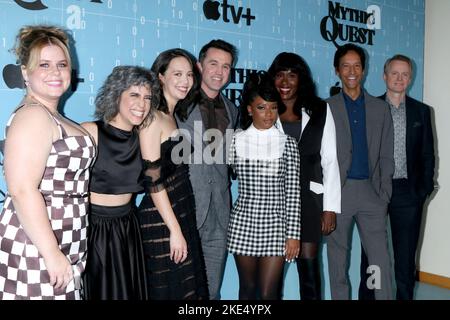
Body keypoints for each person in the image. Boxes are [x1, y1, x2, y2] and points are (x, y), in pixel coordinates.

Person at [0, 25, 95, 299]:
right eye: (44, 64)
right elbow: (21, 189)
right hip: (36, 244)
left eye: (62, 64)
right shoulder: (33, 116)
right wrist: (51, 252)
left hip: (64, 238)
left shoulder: (55, 117)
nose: (55, 72)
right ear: (25, 73)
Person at [359, 54, 435, 300]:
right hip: (374, 192)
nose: (400, 78)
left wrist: (422, 191)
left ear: (410, 78)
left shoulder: (421, 112)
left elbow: (427, 154)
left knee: (405, 260)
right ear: (384, 76)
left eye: (405, 74)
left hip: (407, 194)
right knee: (371, 258)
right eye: (395, 73)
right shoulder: (368, 108)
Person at [81, 65, 159, 300]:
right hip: (93, 229)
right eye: (134, 95)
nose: (142, 104)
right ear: (116, 95)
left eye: (147, 97)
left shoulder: (144, 139)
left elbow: (156, 183)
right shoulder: (90, 131)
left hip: (127, 228)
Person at [268, 52, 341, 300]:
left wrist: (330, 208)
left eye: (292, 75)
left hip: (309, 202)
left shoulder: (320, 109)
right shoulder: (265, 109)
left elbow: (330, 160)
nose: (285, 82)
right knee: (272, 276)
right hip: (272, 204)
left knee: (309, 275)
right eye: (279, 75)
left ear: (301, 79)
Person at [137, 48, 208, 300]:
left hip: (181, 212)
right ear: (160, 77)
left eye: (189, 74)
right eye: (177, 73)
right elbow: (153, 180)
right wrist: (174, 230)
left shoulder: (173, 115)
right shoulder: (152, 118)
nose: (185, 80)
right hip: (161, 220)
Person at [326, 43, 394, 300]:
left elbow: (387, 154)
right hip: (338, 195)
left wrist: (383, 193)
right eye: (346, 65)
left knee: (379, 262)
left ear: (364, 70)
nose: (351, 71)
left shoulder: (380, 108)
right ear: (337, 70)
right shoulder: (326, 108)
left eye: (357, 65)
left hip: (371, 193)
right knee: (338, 262)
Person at [228, 71, 301, 299]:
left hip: (276, 226)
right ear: (250, 109)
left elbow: (293, 193)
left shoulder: (287, 144)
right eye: (261, 107)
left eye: (272, 107)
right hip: (243, 223)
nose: (268, 114)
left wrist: (293, 235)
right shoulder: (235, 140)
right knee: (247, 291)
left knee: (269, 294)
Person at [175, 39, 239, 300]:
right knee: (181, 291)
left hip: (220, 213)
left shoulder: (232, 110)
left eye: (226, 66)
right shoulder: (178, 104)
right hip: (186, 210)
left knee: (212, 292)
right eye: (213, 64)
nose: (219, 72)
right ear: (200, 66)